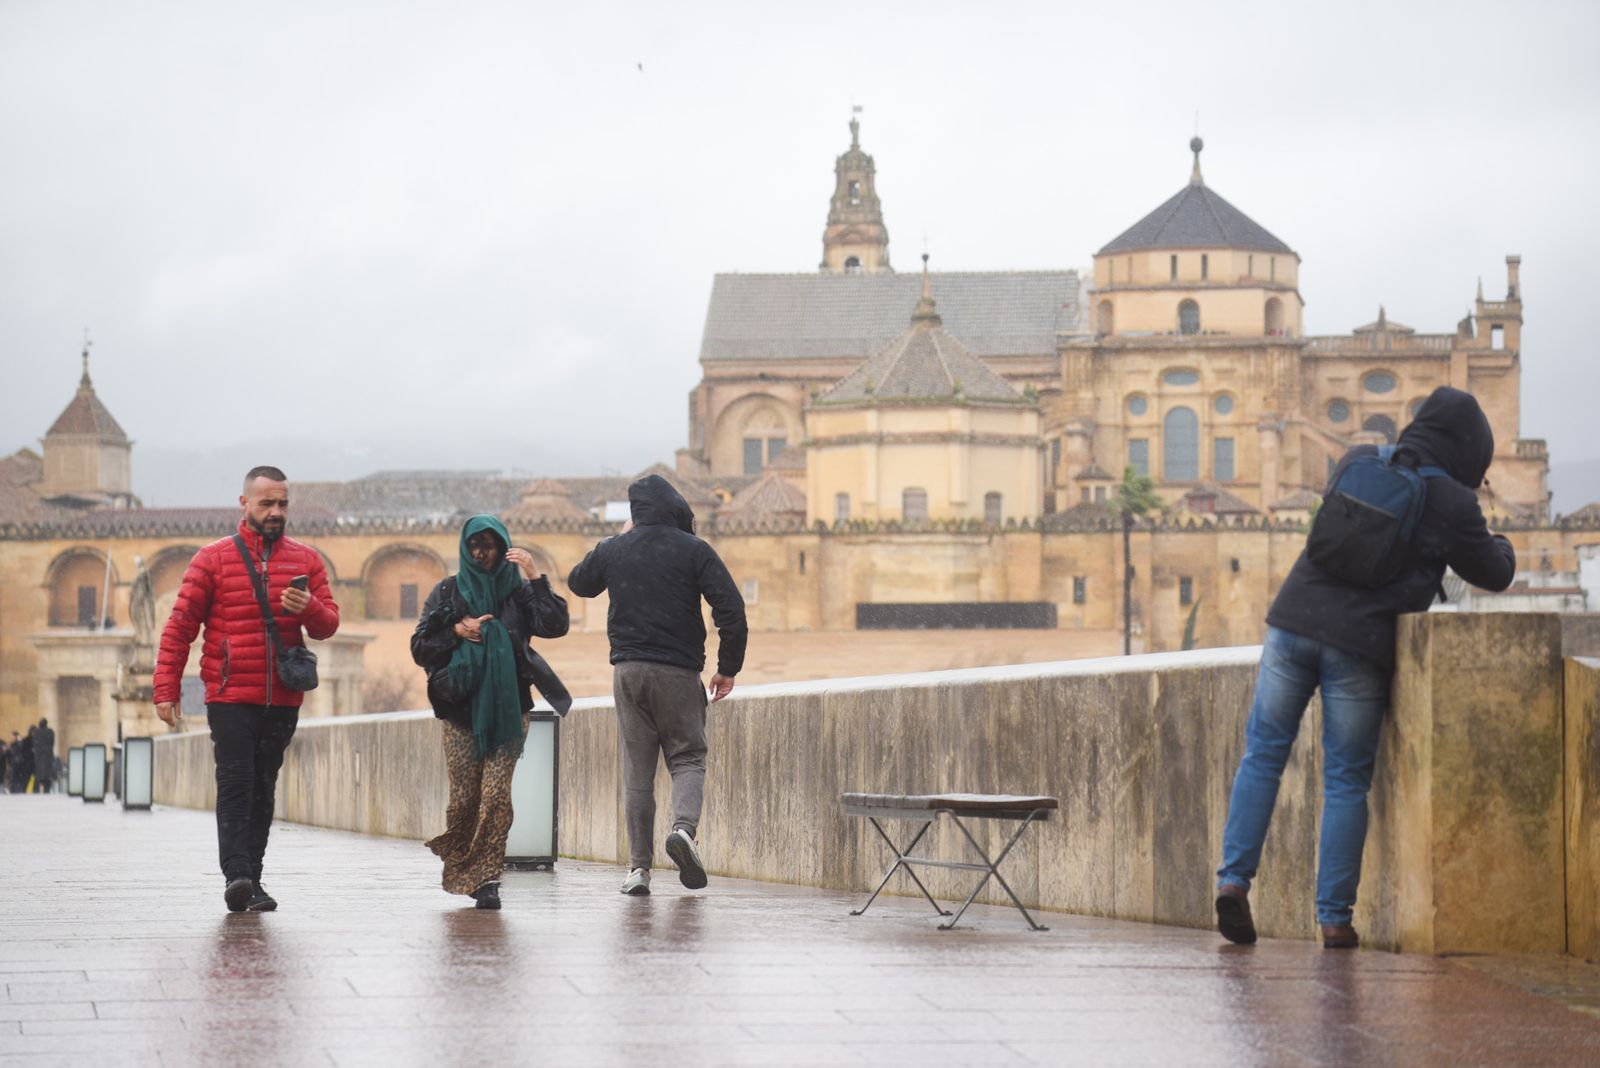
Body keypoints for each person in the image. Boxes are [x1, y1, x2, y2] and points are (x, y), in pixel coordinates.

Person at [1215, 387, 1516, 949]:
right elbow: (1494, 573)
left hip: (1293, 623)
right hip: (1359, 647)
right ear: (1470, 448)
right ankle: (1333, 919)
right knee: (1347, 781)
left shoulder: (1358, 459)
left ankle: (1233, 881)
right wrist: (1498, 538)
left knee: (1261, 756)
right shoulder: (1453, 501)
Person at [153, 466, 340, 913]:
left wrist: (308, 606)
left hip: (283, 697)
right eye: (267, 504)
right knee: (236, 782)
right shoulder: (212, 559)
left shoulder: (307, 560)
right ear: (245, 504)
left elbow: (329, 624)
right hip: (230, 693)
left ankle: (252, 878)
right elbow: (180, 627)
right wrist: (166, 687)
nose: (276, 512)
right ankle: (237, 874)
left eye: (282, 504)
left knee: (264, 785)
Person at [567, 474, 747, 897]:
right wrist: (727, 667)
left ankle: (638, 870)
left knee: (638, 770)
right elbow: (732, 610)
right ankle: (683, 831)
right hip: (679, 672)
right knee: (687, 757)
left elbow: (579, 582)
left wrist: (618, 539)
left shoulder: (616, 549)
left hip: (628, 671)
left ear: (636, 512)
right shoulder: (694, 549)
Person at [410, 514, 570, 910]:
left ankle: (486, 877)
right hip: (460, 710)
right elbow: (420, 648)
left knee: (496, 795)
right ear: (465, 548)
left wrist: (535, 576)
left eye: (490, 545)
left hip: (510, 708)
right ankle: (463, 862)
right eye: (475, 545)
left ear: (502, 547)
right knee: (465, 798)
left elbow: (555, 624)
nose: (482, 553)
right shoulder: (447, 592)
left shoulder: (518, 593)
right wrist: (457, 633)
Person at [30, 719, 55, 793]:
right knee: (47, 774)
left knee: (40, 773)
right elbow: (52, 742)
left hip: (39, 756)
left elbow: (33, 744)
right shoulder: (50, 731)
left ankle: (39, 787)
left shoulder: (36, 732)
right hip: (48, 755)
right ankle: (47, 788)